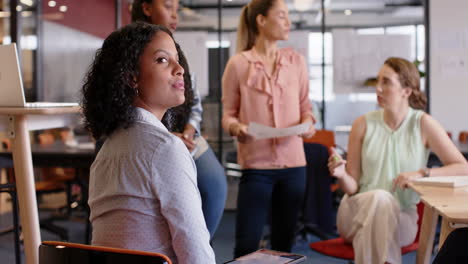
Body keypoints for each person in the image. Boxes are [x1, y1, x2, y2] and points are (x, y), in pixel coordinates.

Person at [82, 22, 216, 264]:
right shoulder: (165, 148)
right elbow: (196, 252)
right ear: (132, 77)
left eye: (178, 59)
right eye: (163, 60)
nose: (180, 69)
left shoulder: (106, 151)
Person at [328, 57, 468, 264]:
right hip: (355, 213)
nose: (378, 88)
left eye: (386, 82)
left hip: (402, 219)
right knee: (379, 199)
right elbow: (351, 188)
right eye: (378, 81)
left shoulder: (423, 123)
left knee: (381, 212)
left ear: (407, 91)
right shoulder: (362, 124)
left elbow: (463, 168)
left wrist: (423, 173)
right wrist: (340, 174)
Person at [221, 0, 316, 257]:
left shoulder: (296, 62)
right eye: (282, 16)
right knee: (246, 243)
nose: (288, 22)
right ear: (262, 21)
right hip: (256, 167)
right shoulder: (239, 64)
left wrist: (308, 125)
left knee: (284, 245)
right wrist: (238, 127)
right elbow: (227, 116)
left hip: (294, 166)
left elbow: (306, 107)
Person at [132, 0, 227, 238]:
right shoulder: (129, 47)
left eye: (177, 8)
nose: (175, 15)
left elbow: (193, 101)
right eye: (167, 6)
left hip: (185, 134)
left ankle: (200, 247)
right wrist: (164, 136)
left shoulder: (177, 50)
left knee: (215, 184)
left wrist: (188, 132)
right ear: (146, 8)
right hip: (147, 132)